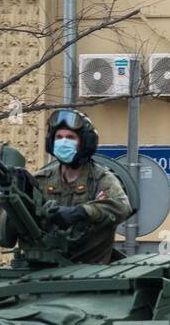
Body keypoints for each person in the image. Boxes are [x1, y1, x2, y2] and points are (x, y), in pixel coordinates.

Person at [30, 109, 132, 264]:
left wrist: (82, 212)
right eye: (59, 137)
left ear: (84, 143)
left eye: (70, 137)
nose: (63, 142)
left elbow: (122, 207)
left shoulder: (100, 178)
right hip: (45, 265)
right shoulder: (42, 179)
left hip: (90, 270)